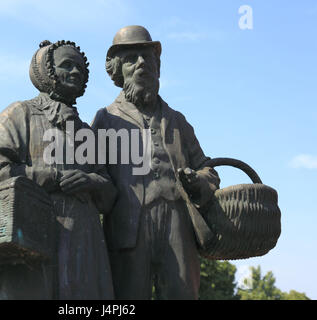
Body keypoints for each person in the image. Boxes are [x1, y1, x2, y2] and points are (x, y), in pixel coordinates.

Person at [91, 25, 220, 299]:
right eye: (131, 58)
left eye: (147, 57)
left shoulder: (177, 121)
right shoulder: (105, 120)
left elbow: (208, 169)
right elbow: (94, 175)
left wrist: (198, 181)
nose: (141, 64)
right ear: (116, 70)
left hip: (178, 226)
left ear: (157, 66)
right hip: (127, 229)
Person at [0, 40, 116, 299]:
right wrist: (53, 177)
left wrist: (90, 181)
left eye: (80, 68)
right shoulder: (19, 114)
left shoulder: (86, 131)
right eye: (67, 65)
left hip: (83, 247)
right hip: (31, 241)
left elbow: (109, 195)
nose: (76, 72)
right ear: (46, 71)